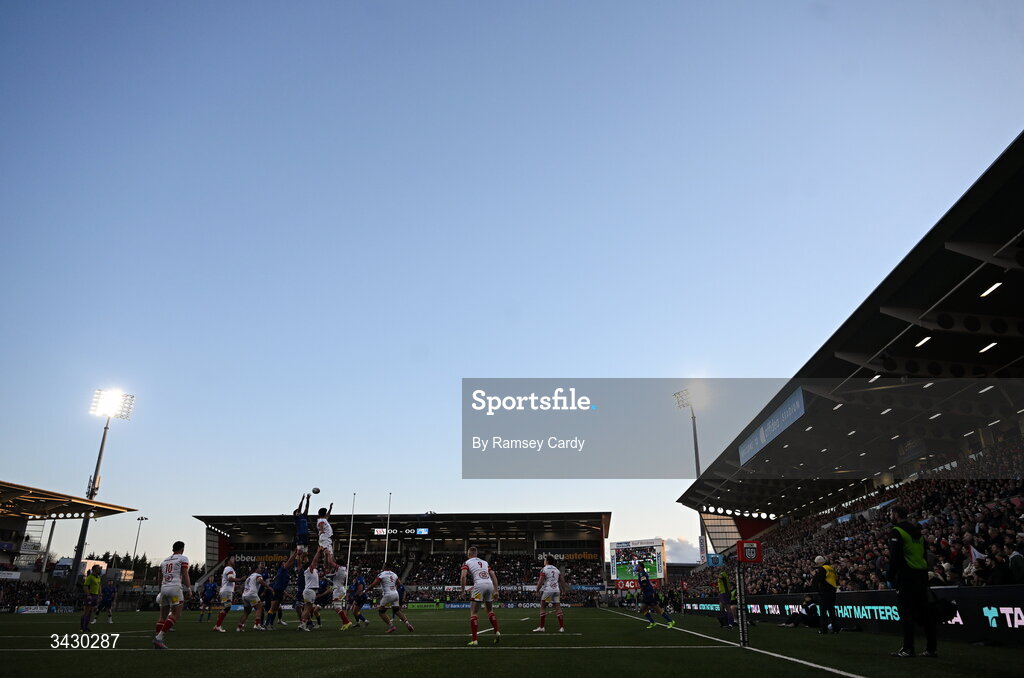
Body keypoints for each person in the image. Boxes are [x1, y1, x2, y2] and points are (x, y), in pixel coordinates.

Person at [888, 505, 937, 658]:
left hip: (907, 576)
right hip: (921, 575)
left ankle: (908, 648)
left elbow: (895, 557)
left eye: (891, 513)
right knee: (925, 613)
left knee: (906, 614)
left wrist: (890, 576)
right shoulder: (918, 532)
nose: (890, 516)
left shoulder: (897, 531)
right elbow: (923, 554)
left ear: (896, 515)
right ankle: (931, 648)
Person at [153, 541, 192, 649]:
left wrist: (160, 589)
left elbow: (159, 576)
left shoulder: (164, 560)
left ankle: (157, 640)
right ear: (182, 549)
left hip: (164, 588)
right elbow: (185, 574)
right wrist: (189, 588)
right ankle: (159, 638)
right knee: (176, 614)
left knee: (162, 616)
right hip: (175, 588)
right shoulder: (183, 558)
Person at [461, 546, 500, 646]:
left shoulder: (467, 562)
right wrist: (496, 590)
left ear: (468, 554)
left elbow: (463, 576)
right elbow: (493, 574)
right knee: (490, 610)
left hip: (479, 585)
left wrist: (463, 590)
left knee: (473, 613)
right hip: (489, 584)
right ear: (476, 554)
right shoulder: (485, 562)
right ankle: (497, 631)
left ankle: (474, 640)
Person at [367, 565, 415, 633]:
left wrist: (366, 590)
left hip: (388, 595)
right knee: (397, 610)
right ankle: (407, 623)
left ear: (384, 567)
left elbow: (374, 584)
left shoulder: (382, 574)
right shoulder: (394, 574)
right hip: (395, 594)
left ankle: (391, 626)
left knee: (381, 612)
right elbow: (399, 584)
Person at [266, 549, 301, 629]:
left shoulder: (285, 571)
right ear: (281, 565)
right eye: (283, 563)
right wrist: (295, 553)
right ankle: (267, 624)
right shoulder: (281, 570)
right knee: (273, 607)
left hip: (280, 591)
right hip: (277, 590)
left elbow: (291, 563)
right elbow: (289, 561)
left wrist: (298, 557)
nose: (285, 564)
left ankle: (270, 624)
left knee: (276, 608)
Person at [532, 554, 567, 632]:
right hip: (556, 591)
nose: (544, 561)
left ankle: (542, 627)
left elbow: (540, 581)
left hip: (548, 591)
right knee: (558, 608)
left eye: (544, 560)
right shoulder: (557, 570)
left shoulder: (544, 569)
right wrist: (564, 591)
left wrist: (537, 590)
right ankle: (561, 628)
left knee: (543, 607)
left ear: (547, 561)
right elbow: (562, 581)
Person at [636, 561, 675, 629]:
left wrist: (640, 592)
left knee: (657, 609)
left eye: (637, 566)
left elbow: (644, 584)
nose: (636, 567)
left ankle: (670, 621)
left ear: (641, 567)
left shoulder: (642, 574)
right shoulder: (640, 574)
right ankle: (652, 622)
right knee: (642, 609)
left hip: (649, 594)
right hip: (646, 594)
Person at [812, 555, 839, 634]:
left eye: (816, 564)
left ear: (819, 563)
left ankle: (824, 630)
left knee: (823, 612)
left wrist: (814, 575)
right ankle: (836, 629)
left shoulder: (822, 569)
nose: (816, 565)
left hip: (825, 593)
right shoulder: (830, 568)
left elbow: (818, 579)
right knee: (832, 612)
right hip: (832, 592)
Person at [298, 546, 323, 631]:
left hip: (308, 590)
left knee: (306, 608)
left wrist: (305, 556)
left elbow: (308, 562)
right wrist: (318, 552)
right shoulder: (309, 569)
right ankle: (303, 625)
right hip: (310, 590)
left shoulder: (309, 570)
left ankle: (302, 623)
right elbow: (314, 561)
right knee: (307, 609)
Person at [212, 555, 239, 632]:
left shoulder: (228, 569)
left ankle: (217, 625)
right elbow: (230, 579)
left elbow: (228, 581)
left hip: (225, 591)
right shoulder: (229, 568)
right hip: (226, 591)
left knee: (226, 607)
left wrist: (237, 586)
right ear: (228, 561)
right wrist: (240, 579)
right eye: (232, 559)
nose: (234, 560)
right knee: (227, 607)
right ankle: (218, 626)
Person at [330, 564, 353, 630]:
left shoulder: (339, 569)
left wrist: (329, 554)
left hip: (338, 590)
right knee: (338, 607)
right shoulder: (343, 570)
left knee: (337, 607)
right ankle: (345, 622)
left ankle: (347, 621)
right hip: (340, 589)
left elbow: (330, 561)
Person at [316, 504, 339, 569]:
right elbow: (321, 524)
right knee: (326, 553)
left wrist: (330, 508)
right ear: (323, 513)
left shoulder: (324, 519)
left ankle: (335, 569)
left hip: (327, 539)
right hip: (324, 538)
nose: (327, 514)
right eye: (326, 512)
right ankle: (326, 569)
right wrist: (321, 530)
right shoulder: (321, 520)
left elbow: (328, 515)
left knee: (331, 555)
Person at [80, 564, 102, 631]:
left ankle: (86, 627)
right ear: (94, 569)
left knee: (91, 612)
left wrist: (100, 595)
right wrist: (88, 595)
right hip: (91, 595)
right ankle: (82, 627)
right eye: (98, 568)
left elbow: (99, 586)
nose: (100, 569)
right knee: (86, 611)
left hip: (95, 596)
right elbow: (85, 586)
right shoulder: (90, 577)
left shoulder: (98, 577)